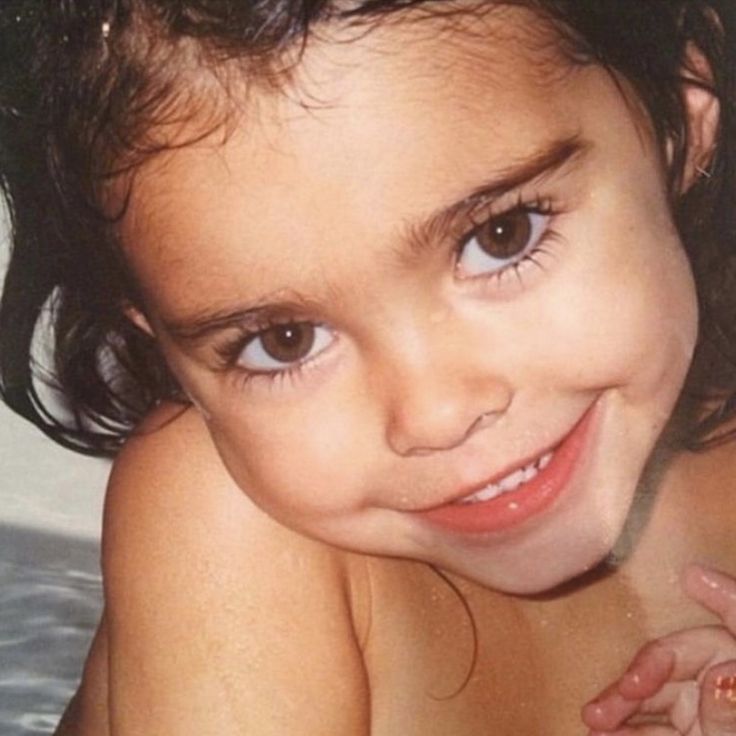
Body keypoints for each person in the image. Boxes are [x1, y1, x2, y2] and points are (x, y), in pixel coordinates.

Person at [1, 0, 736, 733]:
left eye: (502, 236)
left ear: (677, 114)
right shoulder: (224, 523)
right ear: (158, 335)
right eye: (285, 340)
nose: (437, 414)